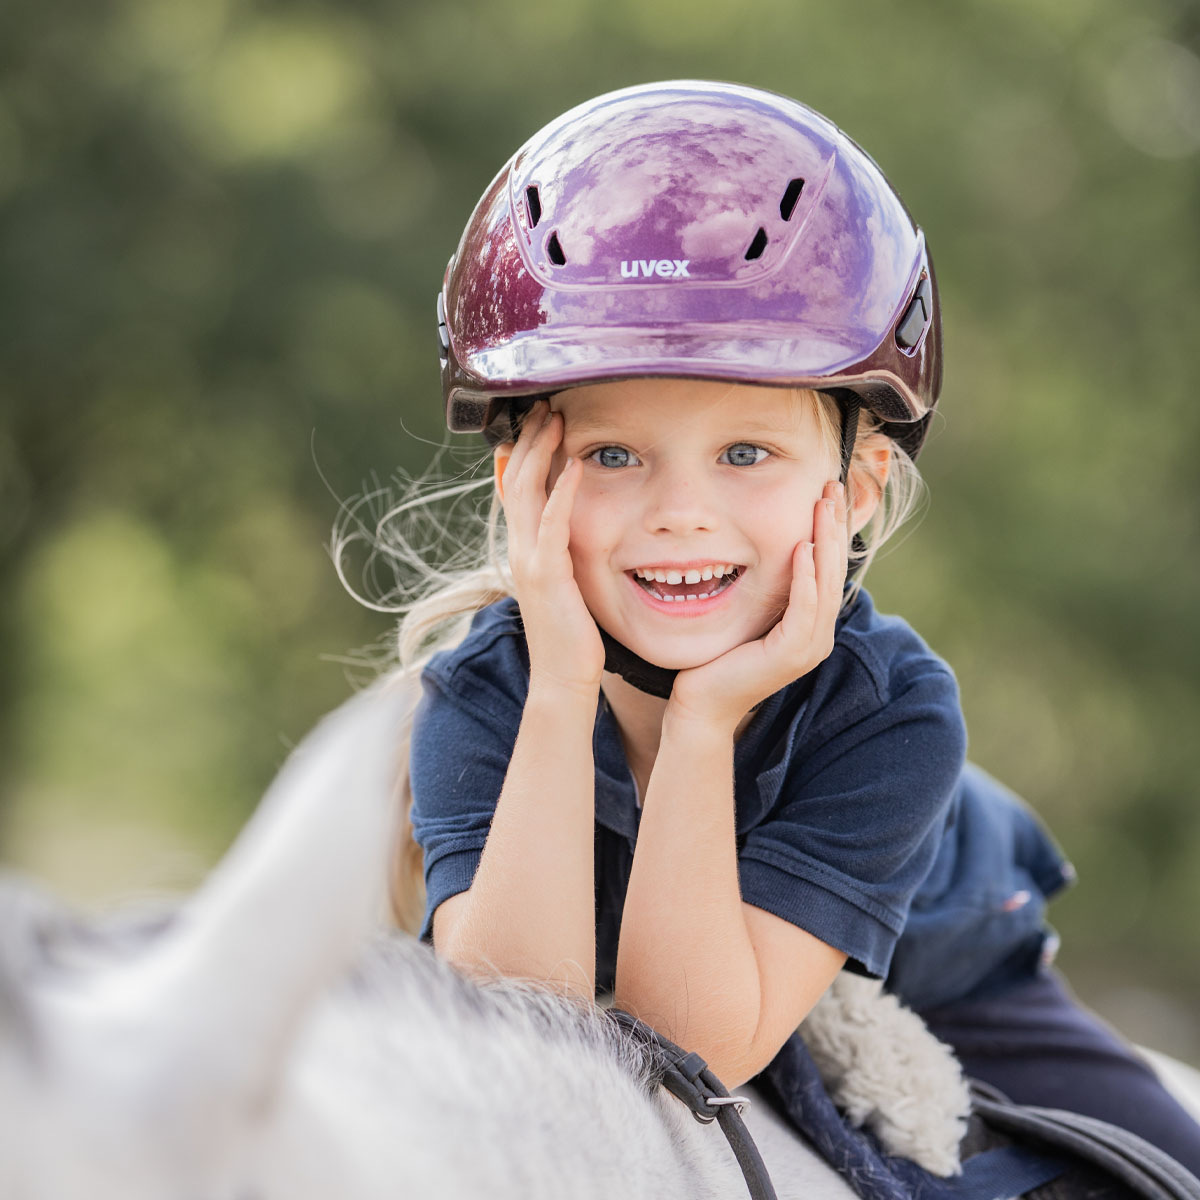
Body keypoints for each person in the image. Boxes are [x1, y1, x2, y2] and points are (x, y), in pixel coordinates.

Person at [359, 81, 1200, 1175]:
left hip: (947, 971)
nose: (680, 512)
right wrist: (562, 691)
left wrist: (705, 726)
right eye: (613, 456)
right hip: (694, 961)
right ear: (523, 482)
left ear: (855, 487)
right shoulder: (491, 692)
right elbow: (520, 1034)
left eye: (745, 454)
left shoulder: (894, 707)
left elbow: (689, 1047)